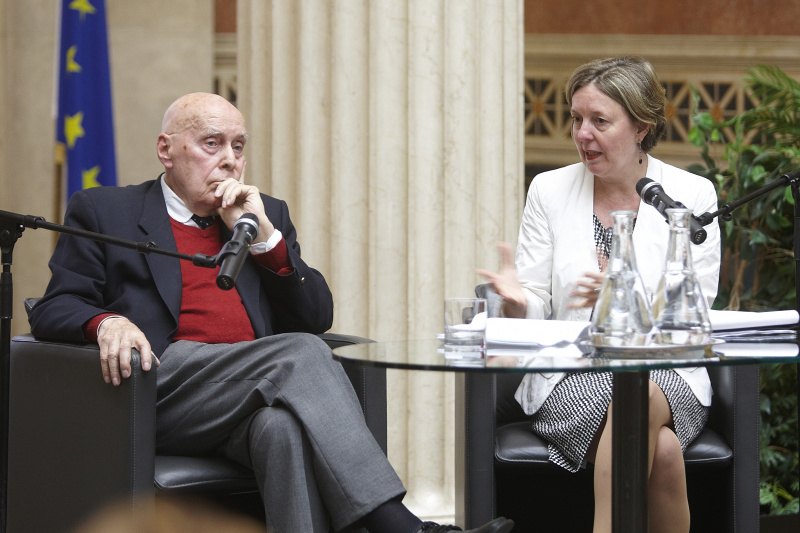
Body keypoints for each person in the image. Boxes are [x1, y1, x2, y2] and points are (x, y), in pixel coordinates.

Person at [30, 92, 514, 533]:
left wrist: (264, 237)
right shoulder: (106, 210)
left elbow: (316, 315)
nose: (229, 161)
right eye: (212, 144)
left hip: (247, 392)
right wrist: (106, 321)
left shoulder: (265, 215)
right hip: (159, 389)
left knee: (281, 429)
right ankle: (403, 528)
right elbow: (55, 306)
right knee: (300, 355)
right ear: (166, 150)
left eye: (238, 147)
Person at [478, 57, 721, 533]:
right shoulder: (549, 190)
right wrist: (514, 302)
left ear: (641, 127)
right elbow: (535, 301)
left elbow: (695, 312)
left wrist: (619, 299)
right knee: (664, 451)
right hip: (570, 372)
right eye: (576, 118)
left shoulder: (692, 196)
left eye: (599, 121)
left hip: (669, 373)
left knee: (640, 394)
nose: (582, 134)